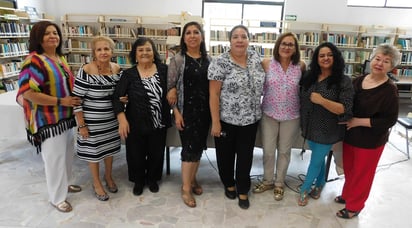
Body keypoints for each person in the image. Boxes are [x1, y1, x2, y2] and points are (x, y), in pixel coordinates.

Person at [16, 21, 82, 213]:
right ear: (38, 38)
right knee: (54, 158)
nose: (53, 36)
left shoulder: (59, 58)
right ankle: (57, 197)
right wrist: (62, 102)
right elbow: (28, 92)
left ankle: (65, 184)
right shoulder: (34, 61)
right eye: (47, 34)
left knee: (67, 154)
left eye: (55, 33)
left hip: (65, 118)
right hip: (48, 120)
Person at [335, 44, 400, 219]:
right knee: (349, 169)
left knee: (362, 174)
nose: (380, 63)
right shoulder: (358, 80)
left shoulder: (390, 90)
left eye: (386, 61)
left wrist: (358, 122)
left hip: (371, 140)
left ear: (391, 66)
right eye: (378, 58)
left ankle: (355, 206)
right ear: (371, 59)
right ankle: (347, 195)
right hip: (350, 135)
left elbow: (389, 120)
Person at [208, 25, 265, 209]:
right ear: (230, 41)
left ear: (249, 40)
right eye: (235, 37)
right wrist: (215, 122)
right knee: (225, 156)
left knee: (245, 157)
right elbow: (214, 94)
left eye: (243, 36)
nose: (239, 40)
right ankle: (229, 183)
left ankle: (242, 189)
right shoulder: (220, 62)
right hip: (226, 120)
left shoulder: (255, 58)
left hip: (250, 120)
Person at [113, 37, 171, 196]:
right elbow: (116, 97)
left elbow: (173, 89)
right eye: (140, 50)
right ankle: (138, 181)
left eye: (148, 49)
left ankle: (152, 179)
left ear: (154, 53)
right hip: (135, 122)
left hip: (159, 122)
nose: (144, 53)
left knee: (156, 153)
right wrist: (122, 119)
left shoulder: (164, 70)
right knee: (135, 154)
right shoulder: (128, 74)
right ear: (135, 54)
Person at [298, 42, 354, 206]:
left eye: (329, 54)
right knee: (319, 159)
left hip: (328, 130)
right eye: (321, 55)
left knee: (314, 161)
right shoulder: (309, 76)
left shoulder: (343, 81)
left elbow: (345, 109)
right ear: (316, 59)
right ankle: (320, 184)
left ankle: (304, 189)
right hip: (309, 126)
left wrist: (322, 101)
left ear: (335, 57)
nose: (325, 58)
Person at [253, 32, 306, 201]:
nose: (286, 47)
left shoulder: (301, 66)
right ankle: (268, 181)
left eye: (291, 44)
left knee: (284, 151)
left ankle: (279, 184)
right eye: (284, 43)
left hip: (292, 115)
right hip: (269, 113)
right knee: (268, 151)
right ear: (278, 46)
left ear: (295, 48)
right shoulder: (266, 63)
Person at [167, 21, 211, 208]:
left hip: (205, 112)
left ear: (201, 36)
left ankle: (192, 179)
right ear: (183, 38)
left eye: (196, 32)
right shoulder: (177, 60)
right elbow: (170, 88)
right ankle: (185, 188)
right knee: (188, 149)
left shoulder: (209, 60)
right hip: (186, 112)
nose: (192, 36)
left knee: (198, 148)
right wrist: (176, 112)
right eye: (188, 33)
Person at [72, 36, 121, 201]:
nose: (103, 52)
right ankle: (96, 182)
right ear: (93, 52)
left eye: (106, 49)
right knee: (94, 153)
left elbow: (118, 94)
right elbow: (76, 100)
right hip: (91, 122)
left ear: (112, 51)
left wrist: (123, 98)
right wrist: (82, 125)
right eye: (99, 49)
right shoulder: (86, 70)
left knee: (109, 151)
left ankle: (108, 176)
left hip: (111, 121)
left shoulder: (117, 69)